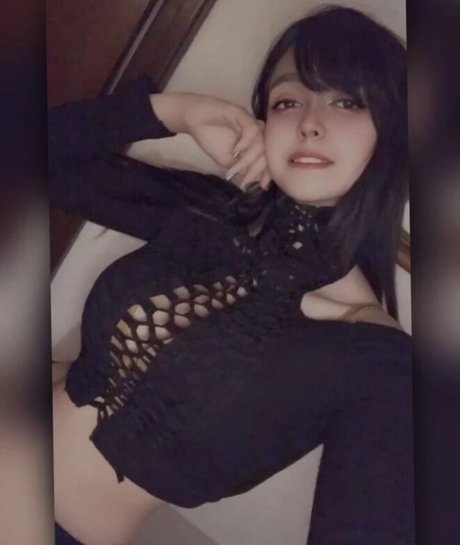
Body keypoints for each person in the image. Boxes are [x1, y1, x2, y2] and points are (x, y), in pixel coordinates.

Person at [50, 6, 413, 545]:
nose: (310, 121)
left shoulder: (383, 365)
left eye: (347, 102)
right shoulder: (212, 215)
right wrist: (175, 111)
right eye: (288, 101)